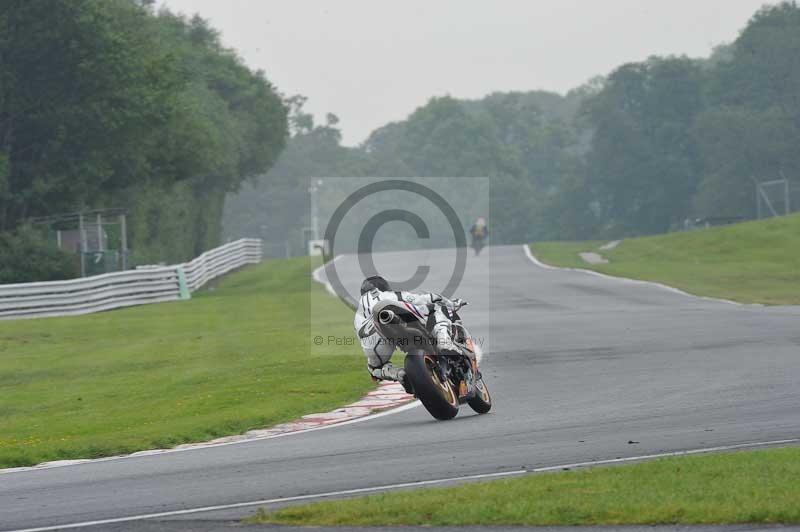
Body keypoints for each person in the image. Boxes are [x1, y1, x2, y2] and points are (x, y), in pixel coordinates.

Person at [353, 275, 465, 388]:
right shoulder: (382, 294)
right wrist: (451, 303)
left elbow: (361, 339)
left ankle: (399, 374)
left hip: (374, 345)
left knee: (374, 369)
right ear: (382, 287)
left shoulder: (357, 316)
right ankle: (444, 342)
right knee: (436, 308)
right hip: (391, 314)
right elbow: (424, 299)